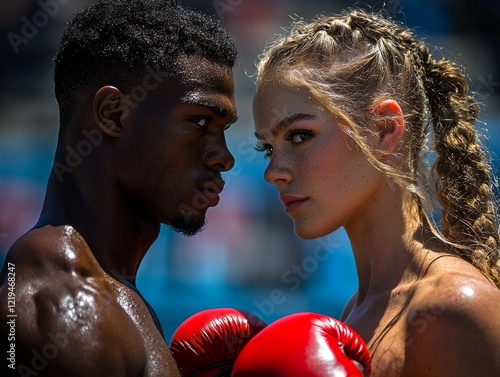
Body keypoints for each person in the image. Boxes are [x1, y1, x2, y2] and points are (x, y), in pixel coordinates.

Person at [252, 9, 500, 376]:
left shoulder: (453, 307)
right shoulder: (358, 310)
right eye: (268, 148)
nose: (273, 172)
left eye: (299, 136)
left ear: (385, 130)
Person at [0, 0, 238, 375]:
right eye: (200, 122)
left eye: (223, 131)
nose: (224, 157)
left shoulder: (109, 289)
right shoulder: (71, 305)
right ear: (113, 114)